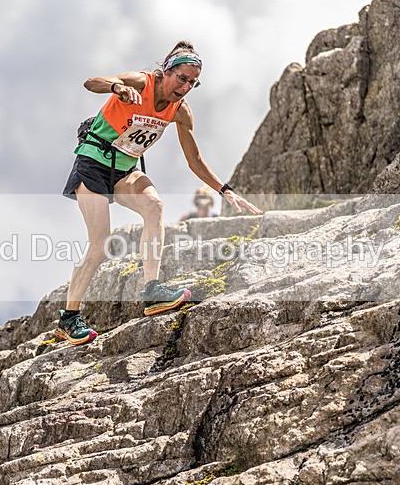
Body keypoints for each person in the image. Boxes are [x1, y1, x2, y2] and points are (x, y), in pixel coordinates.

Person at [57, 40, 262, 345]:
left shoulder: (181, 112)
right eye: (182, 79)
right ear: (167, 72)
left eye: (193, 83)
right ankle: (69, 319)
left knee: (154, 206)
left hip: (124, 171)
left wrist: (224, 189)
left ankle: (152, 291)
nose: (186, 87)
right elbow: (91, 82)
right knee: (100, 244)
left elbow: (194, 160)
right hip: (93, 165)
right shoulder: (142, 81)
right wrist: (116, 87)